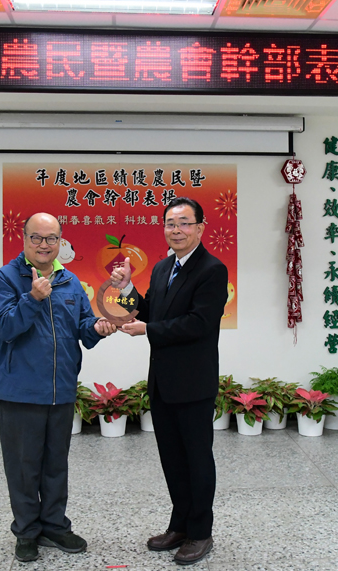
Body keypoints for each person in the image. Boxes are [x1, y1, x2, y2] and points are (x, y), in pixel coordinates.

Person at [0, 212, 116, 563]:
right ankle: (27, 531)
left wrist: (98, 328)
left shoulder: (70, 281)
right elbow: (6, 329)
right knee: (24, 465)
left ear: (61, 240)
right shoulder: (4, 279)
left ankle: (55, 526)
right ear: (24, 239)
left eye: (51, 238)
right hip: (20, 391)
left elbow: (83, 327)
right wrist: (32, 298)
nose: (44, 245)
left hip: (61, 389)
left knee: (56, 463)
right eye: (37, 238)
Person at [110, 197, 227, 566]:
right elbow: (149, 310)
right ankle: (179, 524)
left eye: (184, 223)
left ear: (200, 227)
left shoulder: (212, 269)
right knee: (172, 459)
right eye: (170, 223)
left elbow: (199, 323)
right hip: (162, 382)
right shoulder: (162, 269)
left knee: (197, 459)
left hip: (193, 384)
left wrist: (149, 329)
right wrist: (128, 288)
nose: (176, 230)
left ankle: (200, 532)